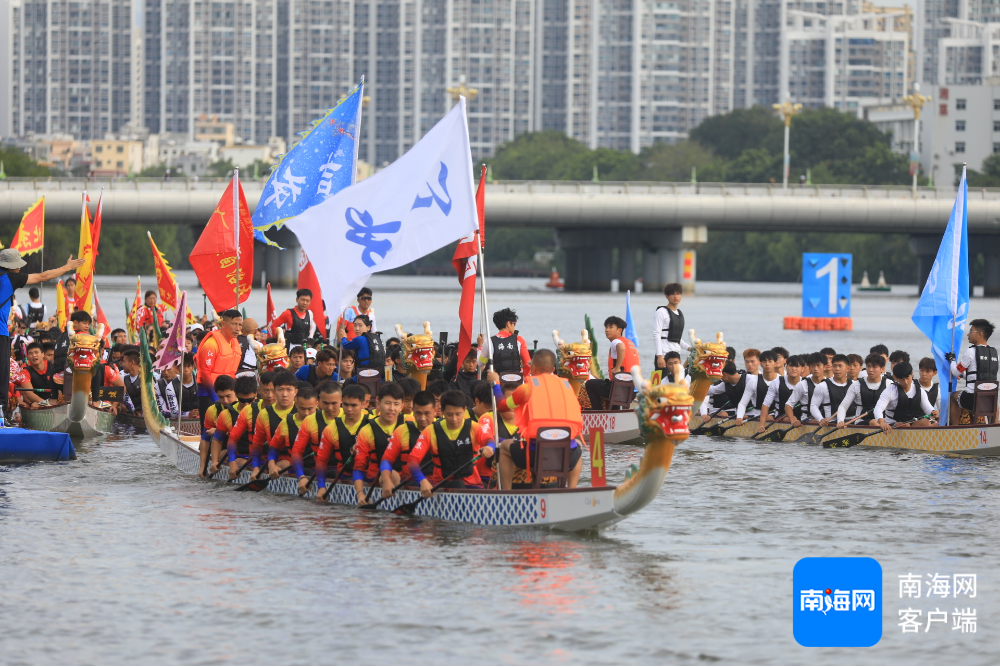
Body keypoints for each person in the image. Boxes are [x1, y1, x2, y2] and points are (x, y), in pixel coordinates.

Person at [0, 250, 85, 418]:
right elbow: (42, 276)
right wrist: (67, 267)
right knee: (2, 376)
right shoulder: (10, 277)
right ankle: (1, 417)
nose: (19, 269)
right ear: (13, 267)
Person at [486, 349, 583, 490]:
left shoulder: (527, 389)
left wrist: (496, 384)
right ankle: (571, 489)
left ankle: (506, 493)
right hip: (568, 456)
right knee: (578, 444)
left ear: (533, 368)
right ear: (553, 369)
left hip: (537, 455)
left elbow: (502, 406)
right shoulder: (567, 387)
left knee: (505, 447)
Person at [404, 390, 491, 493]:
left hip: (472, 485)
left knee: (460, 485)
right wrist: (421, 480)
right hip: (442, 486)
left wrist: (489, 447)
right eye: (449, 414)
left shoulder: (474, 427)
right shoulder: (431, 431)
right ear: (442, 411)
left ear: (465, 410)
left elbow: (490, 440)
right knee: (458, 484)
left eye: (458, 414)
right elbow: (412, 460)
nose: (454, 419)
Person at [314, 384, 371, 500]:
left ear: (363, 404)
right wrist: (321, 486)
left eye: (354, 405)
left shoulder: (373, 424)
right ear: (341, 402)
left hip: (370, 476)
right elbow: (321, 460)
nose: (349, 409)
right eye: (345, 404)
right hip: (344, 476)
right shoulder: (330, 429)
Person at [351, 383, 405, 504]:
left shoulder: (409, 424)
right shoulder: (366, 431)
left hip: (406, 476)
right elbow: (358, 468)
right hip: (376, 477)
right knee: (394, 475)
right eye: (387, 403)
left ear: (402, 406)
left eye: (396, 404)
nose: (392, 408)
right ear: (378, 403)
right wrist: (360, 494)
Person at [378, 389, 437, 497]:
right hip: (409, 482)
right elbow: (386, 460)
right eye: (418, 413)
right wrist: (386, 481)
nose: (423, 418)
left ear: (435, 411)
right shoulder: (402, 430)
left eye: (427, 413)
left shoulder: (442, 429)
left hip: (437, 483)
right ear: (413, 411)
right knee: (391, 476)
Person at [216, 372, 275, 477]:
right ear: (260, 391)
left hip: (269, 456)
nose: (246, 404)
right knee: (226, 455)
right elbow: (218, 439)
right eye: (242, 400)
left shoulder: (292, 411)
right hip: (244, 455)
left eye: (250, 400)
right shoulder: (228, 413)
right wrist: (219, 463)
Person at [245, 370, 298, 479]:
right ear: (275, 391)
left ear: (295, 392)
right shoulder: (264, 414)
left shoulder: (304, 411)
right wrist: (255, 469)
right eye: (280, 390)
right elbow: (257, 445)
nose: (284, 394)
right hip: (274, 458)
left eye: (289, 390)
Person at [292, 382, 343, 495]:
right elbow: (296, 452)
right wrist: (301, 477)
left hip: (344, 470)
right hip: (317, 470)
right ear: (319, 401)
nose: (329, 408)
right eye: (325, 403)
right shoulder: (310, 420)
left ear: (341, 400)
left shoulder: (350, 417)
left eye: (334, 403)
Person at [195, 309, 243, 428]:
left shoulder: (234, 342)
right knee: (209, 429)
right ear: (223, 324)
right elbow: (205, 373)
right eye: (234, 324)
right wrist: (215, 396)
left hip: (228, 392)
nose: (238, 328)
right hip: (209, 392)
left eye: (240, 324)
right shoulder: (211, 344)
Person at [947, 318, 998, 424]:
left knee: (953, 397)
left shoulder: (971, 351)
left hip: (972, 399)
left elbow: (955, 372)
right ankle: (994, 429)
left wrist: (952, 360)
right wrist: (965, 375)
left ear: (980, 334)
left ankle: (955, 429)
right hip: (989, 398)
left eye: (970, 331)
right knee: (995, 405)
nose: (968, 334)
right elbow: (979, 375)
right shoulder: (993, 352)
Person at [584, 316, 639, 410]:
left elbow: (621, 348)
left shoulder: (616, 341)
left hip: (618, 390)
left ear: (619, 330)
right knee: (609, 384)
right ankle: (614, 413)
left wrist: (617, 368)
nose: (607, 330)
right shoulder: (630, 343)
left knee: (590, 384)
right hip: (631, 391)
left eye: (610, 327)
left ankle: (598, 412)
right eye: (606, 327)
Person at [266, 384, 317, 479]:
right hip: (295, 467)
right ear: (296, 404)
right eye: (302, 408)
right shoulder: (286, 423)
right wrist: (271, 465)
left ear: (317, 404)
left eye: (310, 409)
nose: (306, 413)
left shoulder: (325, 421)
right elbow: (274, 448)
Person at [875, 362, 936, 431]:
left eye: (907, 378)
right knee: (904, 425)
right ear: (896, 378)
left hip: (911, 423)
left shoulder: (919, 391)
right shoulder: (890, 391)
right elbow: (878, 408)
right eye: (902, 379)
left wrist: (933, 412)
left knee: (926, 422)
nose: (906, 382)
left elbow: (927, 407)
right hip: (892, 424)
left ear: (912, 374)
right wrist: (882, 422)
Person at [198, 375, 237, 476]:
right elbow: (205, 439)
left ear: (236, 392)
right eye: (221, 397)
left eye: (228, 396)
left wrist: (219, 430)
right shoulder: (212, 410)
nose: (225, 401)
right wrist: (202, 468)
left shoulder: (245, 407)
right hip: (223, 448)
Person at [835, 353, 887, 427]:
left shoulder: (889, 384)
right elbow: (843, 406)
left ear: (882, 369)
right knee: (874, 422)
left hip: (884, 421)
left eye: (874, 367)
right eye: (868, 366)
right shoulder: (856, 385)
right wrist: (840, 421)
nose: (870, 370)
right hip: (861, 421)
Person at [479, 308, 531, 380]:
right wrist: (523, 378)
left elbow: (480, 363)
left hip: (497, 382)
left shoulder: (489, 341)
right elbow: (528, 364)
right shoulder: (519, 340)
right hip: (516, 381)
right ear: (508, 324)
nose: (514, 327)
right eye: (514, 324)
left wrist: (480, 347)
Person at [758, 354, 805, 432]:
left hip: (803, 417)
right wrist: (762, 425)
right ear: (786, 367)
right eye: (791, 366)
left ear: (802, 369)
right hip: (781, 416)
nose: (793, 368)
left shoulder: (805, 383)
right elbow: (766, 405)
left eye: (797, 366)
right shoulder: (777, 382)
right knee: (787, 418)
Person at [736, 349, 779, 426]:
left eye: (770, 361)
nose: (767, 364)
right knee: (768, 417)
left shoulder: (781, 380)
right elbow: (743, 403)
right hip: (758, 415)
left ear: (775, 363)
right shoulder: (753, 381)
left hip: (777, 414)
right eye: (764, 362)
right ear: (761, 363)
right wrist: (739, 417)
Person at [784, 353, 827, 426]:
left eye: (818, 365)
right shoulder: (802, 384)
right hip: (807, 420)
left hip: (827, 420)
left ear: (825, 367)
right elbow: (788, 405)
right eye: (813, 366)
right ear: (809, 368)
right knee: (816, 421)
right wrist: (792, 419)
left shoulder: (829, 383)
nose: (816, 369)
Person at [653, 282, 689, 370]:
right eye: (672, 294)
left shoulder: (679, 313)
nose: (675, 297)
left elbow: (676, 337)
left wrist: (689, 348)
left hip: (676, 355)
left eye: (678, 294)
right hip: (664, 355)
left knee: (676, 383)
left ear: (681, 296)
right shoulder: (661, 312)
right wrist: (659, 356)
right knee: (661, 383)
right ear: (667, 296)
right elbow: (657, 334)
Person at [810, 353, 853, 425]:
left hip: (852, 421)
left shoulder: (855, 385)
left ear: (847, 368)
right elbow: (813, 406)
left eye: (840, 366)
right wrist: (820, 419)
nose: (837, 369)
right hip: (832, 423)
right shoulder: (823, 386)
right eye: (834, 366)